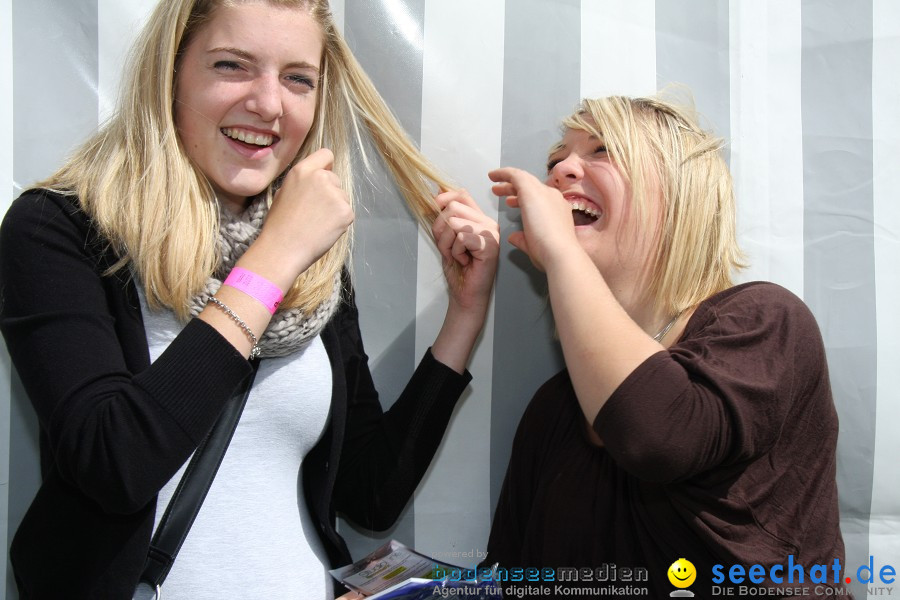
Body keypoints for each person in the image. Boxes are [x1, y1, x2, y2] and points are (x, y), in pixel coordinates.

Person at [0, 1, 499, 599]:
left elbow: (370, 493)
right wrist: (274, 257)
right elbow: (115, 463)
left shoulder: (314, 268)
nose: (269, 104)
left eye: (297, 78)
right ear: (171, 72)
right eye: (233, 65)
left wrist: (465, 313)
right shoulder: (60, 229)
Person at [483, 95, 849, 598]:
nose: (561, 169)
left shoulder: (767, 321)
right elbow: (509, 581)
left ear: (680, 194)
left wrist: (564, 254)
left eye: (604, 150)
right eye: (555, 160)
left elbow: (659, 437)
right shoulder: (553, 408)